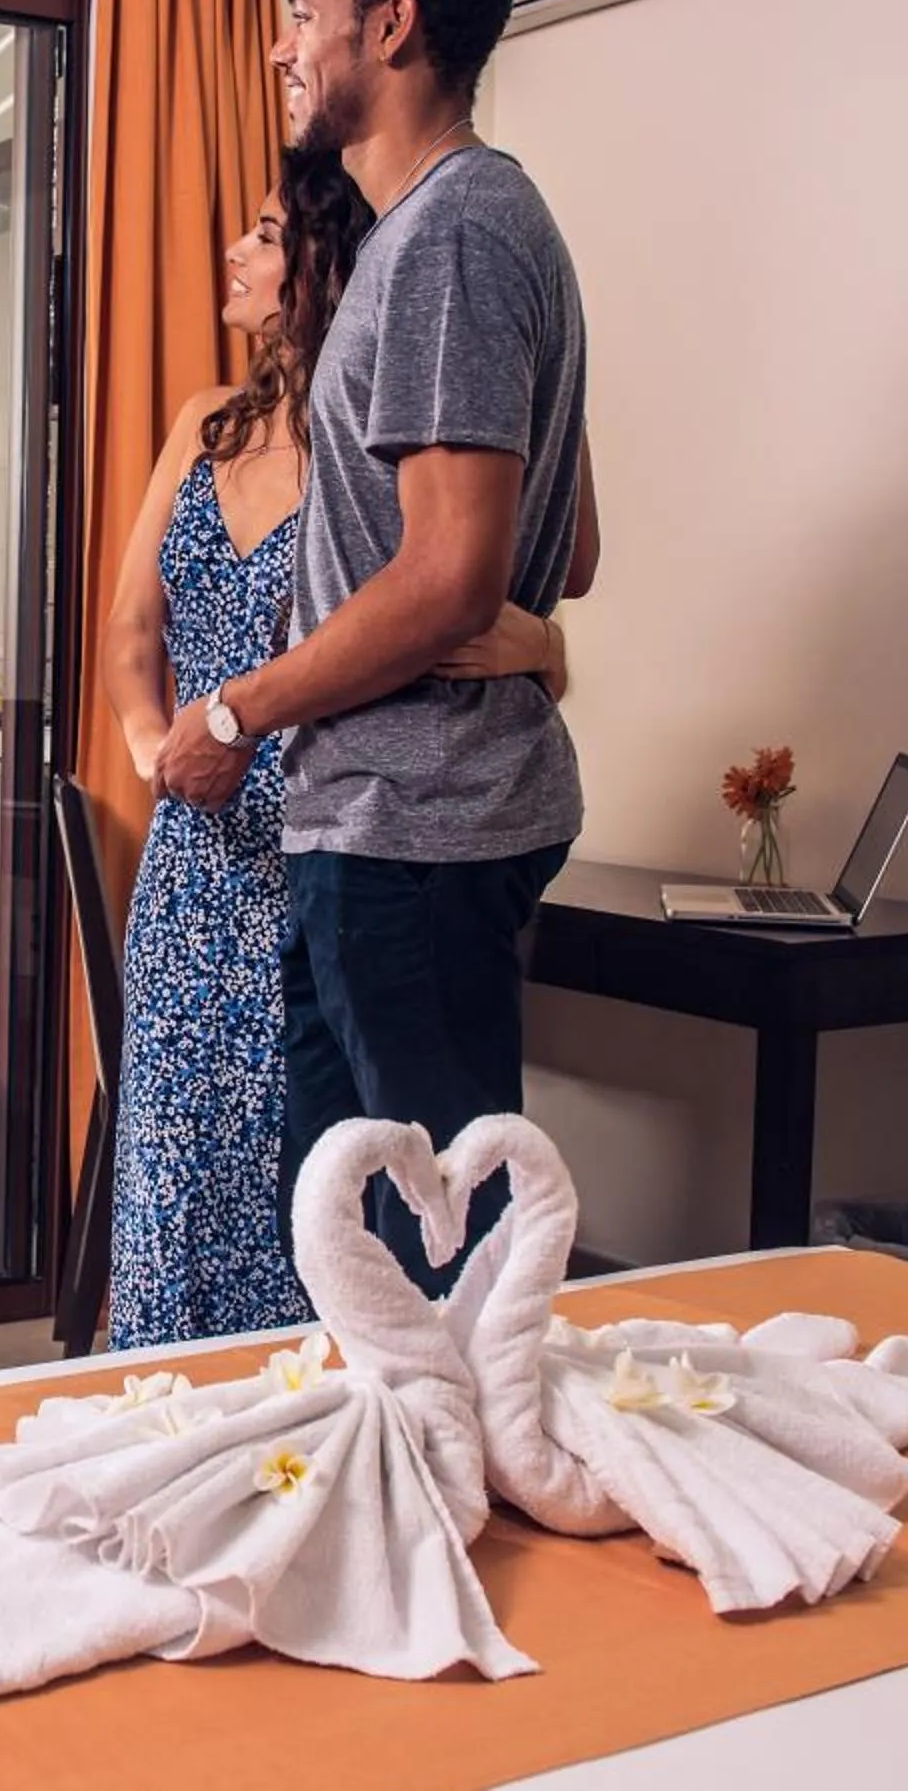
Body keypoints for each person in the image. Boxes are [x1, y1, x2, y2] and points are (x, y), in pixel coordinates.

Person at [151, 0, 599, 1294]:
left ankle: (462, 1506)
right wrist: (509, 617)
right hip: (378, 815)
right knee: (349, 1251)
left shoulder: (457, 232)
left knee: (434, 1261)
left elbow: (456, 567)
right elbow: (560, 549)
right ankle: (367, 1502)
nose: (284, 45)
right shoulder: (431, 237)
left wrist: (230, 715)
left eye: (303, 12)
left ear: (391, 24)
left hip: (418, 821)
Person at [97, 149, 566, 1349]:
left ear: (327, 264)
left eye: (264, 234)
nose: (238, 255)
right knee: (189, 1153)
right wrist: (163, 749)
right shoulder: (204, 424)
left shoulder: (379, 450)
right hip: (203, 847)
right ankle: (172, 1397)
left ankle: (320, 1400)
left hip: (330, 826)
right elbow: (130, 629)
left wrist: (537, 648)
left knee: (311, 1168)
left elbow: (483, 591)